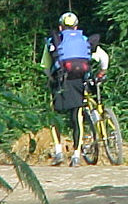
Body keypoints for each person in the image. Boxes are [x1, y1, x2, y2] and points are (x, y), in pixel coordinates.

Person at [41, 12, 109, 167]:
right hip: (79, 80)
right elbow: (104, 58)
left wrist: (51, 78)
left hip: (60, 80)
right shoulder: (84, 40)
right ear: (77, 27)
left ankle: (58, 152)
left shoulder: (54, 40)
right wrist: (102, 71)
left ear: (60, 27)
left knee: (54, 115)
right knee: (77, 116)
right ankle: (76, 155)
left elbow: (45, 66)